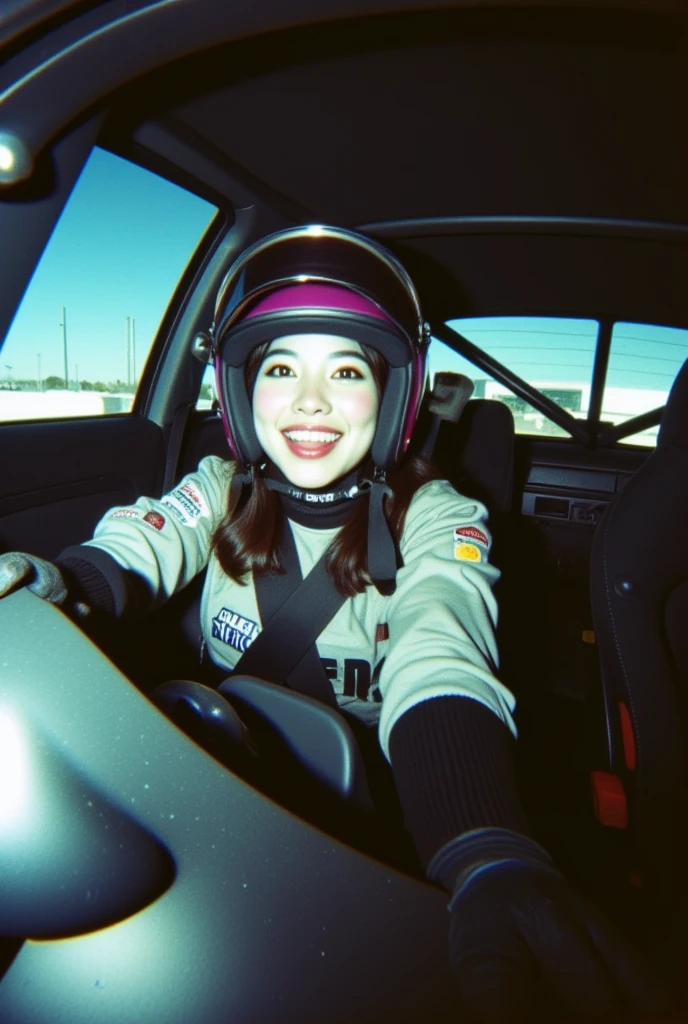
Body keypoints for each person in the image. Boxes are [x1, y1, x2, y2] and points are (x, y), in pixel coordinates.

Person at [0, 225, 670, 1022]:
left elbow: (442, 650)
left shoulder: (442, 518)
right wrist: (55, 582)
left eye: (346, 370)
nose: (310, 402)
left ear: (392, 397)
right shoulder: (217, 484)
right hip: (208, 779)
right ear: (242, 390)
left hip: (371, 810)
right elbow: (138, 543)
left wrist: (483, 843)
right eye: (281, 367)